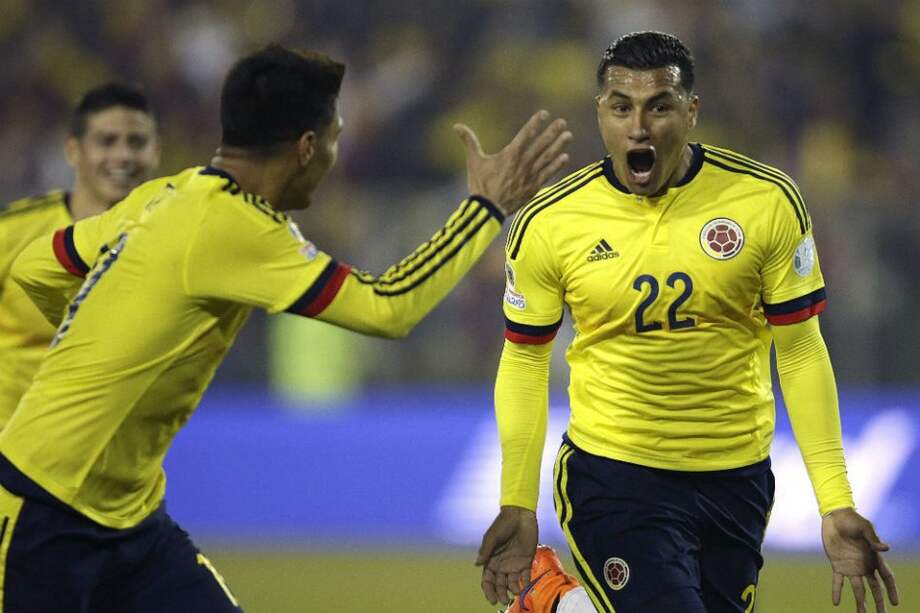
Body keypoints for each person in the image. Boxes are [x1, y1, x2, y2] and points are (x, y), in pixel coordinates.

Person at [0, 45, 571, 612]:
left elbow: (35, 267)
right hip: (45, 509)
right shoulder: (238, 226)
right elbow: (387, 306)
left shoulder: (167, 195)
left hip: (130, 518)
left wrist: (90, 340)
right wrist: (485, 207)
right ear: (306, 148)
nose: (335, 155)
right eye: (335, 137)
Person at [476, 31, 900, 613]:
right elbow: (524, 359)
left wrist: (835, 501)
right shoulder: (551, 223)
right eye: (621, 107)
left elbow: (800, 351)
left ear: (691, 111)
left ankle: (551, 605)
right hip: (614, 476)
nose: (639, 127)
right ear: (600, 112)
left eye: (659, 106)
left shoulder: (766, 202)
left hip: (737, 481)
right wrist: (517, 502)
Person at [0, 82, 160, 424]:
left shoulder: (174, 244)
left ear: (156, 151)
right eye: (106, 141)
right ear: (74, 151)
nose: (123, 156)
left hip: (104, 460)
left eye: (137, 142)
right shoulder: (11, 233)